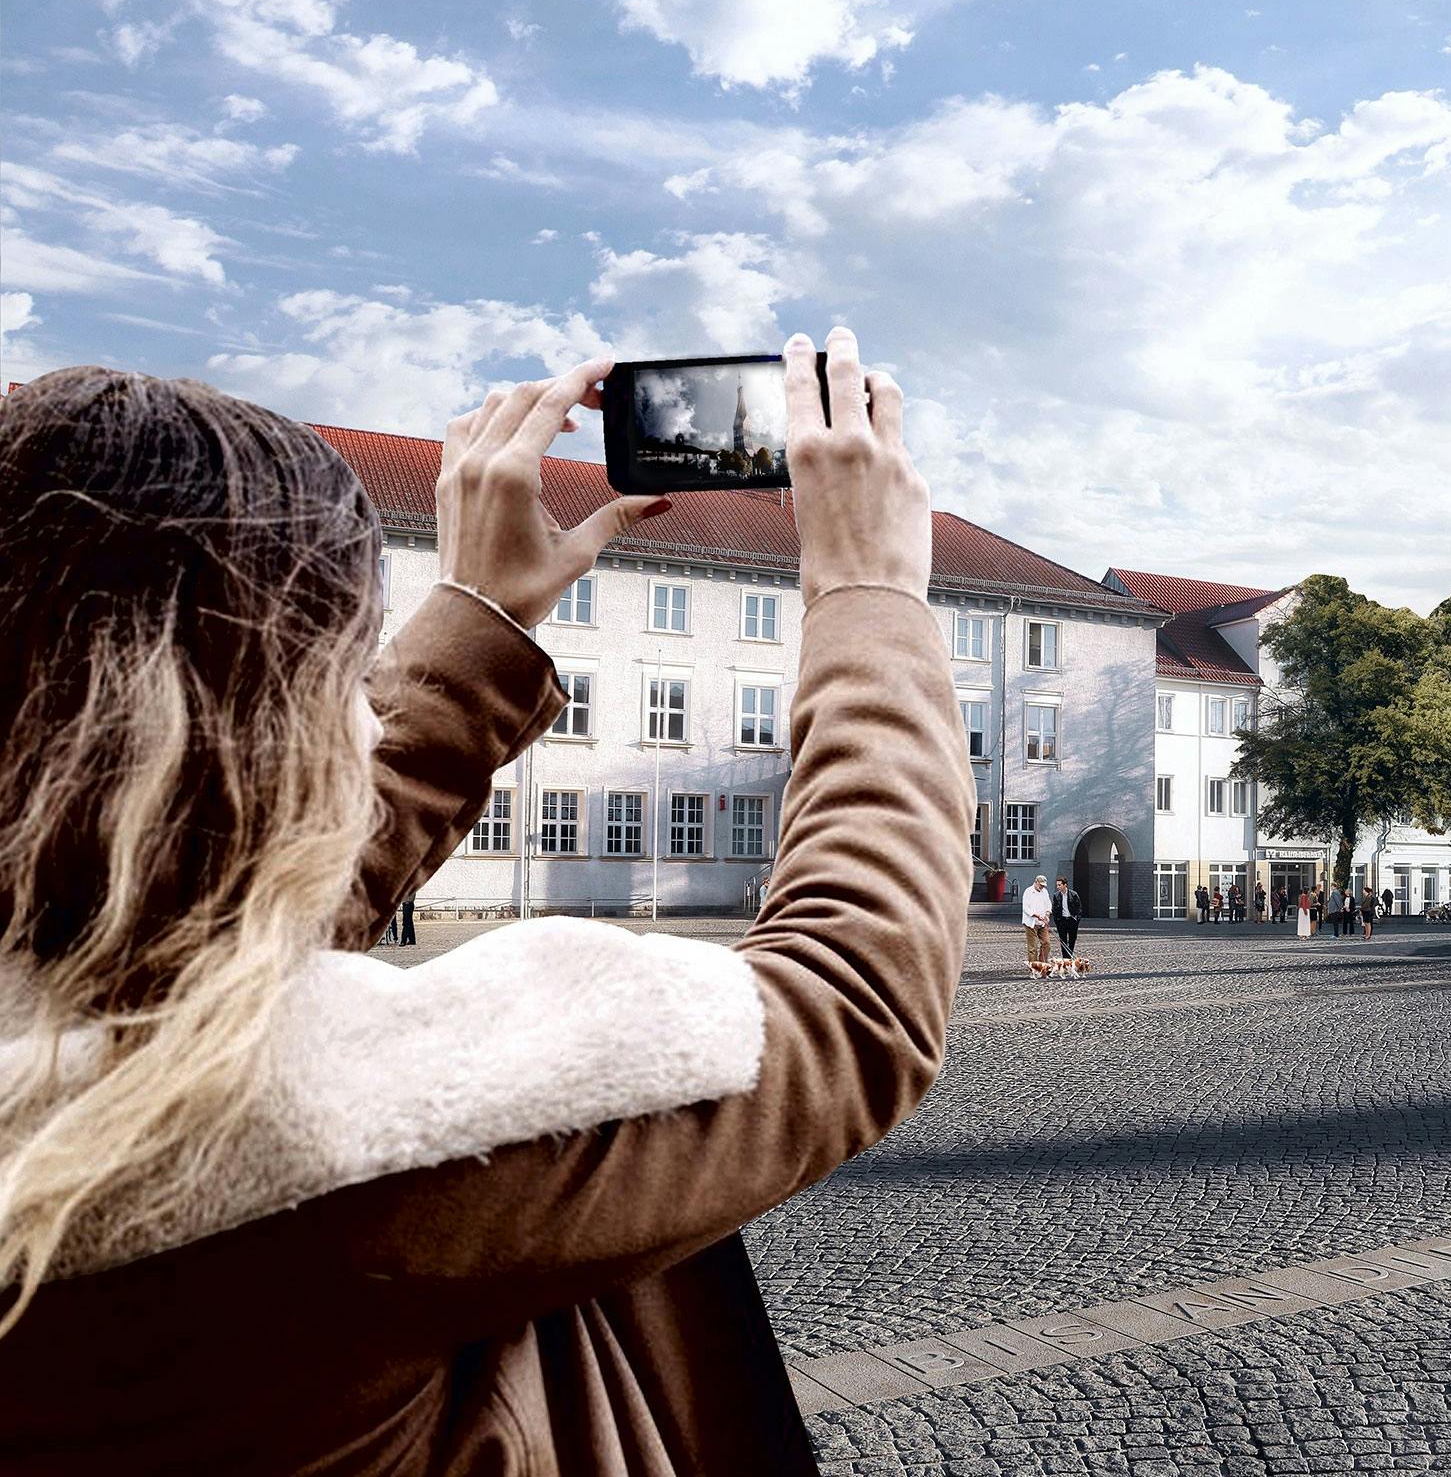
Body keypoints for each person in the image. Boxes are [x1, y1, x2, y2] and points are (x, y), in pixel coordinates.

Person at [0, 334, 971, 1470]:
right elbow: (851, 1001)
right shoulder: (327, 1133)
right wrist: (869, 593)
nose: (364, 719)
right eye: (341, 671)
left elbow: (207, 913)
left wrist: (475, 618)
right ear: (266, 736)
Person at [1054, 878, 1080, 960]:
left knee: (1072, 939)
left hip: (1072, 920)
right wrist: (1057, 920)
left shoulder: (1074, 894)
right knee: (1063, 941)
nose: (1058, 887)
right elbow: (1054, 909)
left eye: (1059, 885)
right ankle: (1065, 959)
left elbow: (1079, 908)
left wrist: (1077, 919)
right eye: (1057, 885)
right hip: (1062, 921)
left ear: (1065, 885)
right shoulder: (1056, 895)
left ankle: (1070, 956)